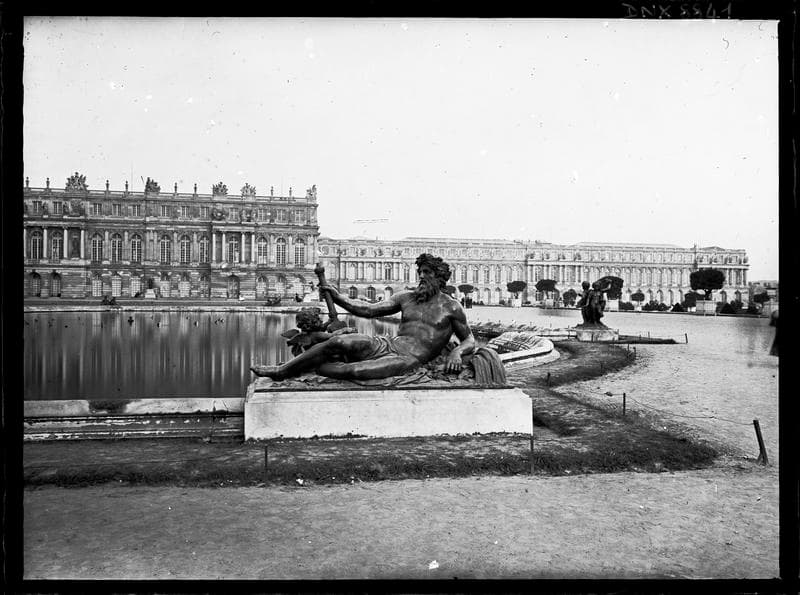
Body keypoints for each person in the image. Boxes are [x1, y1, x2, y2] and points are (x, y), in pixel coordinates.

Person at [251, 253, 475, 380]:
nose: (422, 276)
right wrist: (338, 297)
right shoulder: (407, 297)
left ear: (439, 277)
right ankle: (283, 371)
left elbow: (469, 339)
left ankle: (308, 368)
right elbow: (368, 310)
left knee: (356, 371)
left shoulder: (451, 307)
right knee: (339, 341)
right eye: (421, 272)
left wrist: (457, 351)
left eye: (427, 273)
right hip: (387, 344)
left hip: (409, 358)